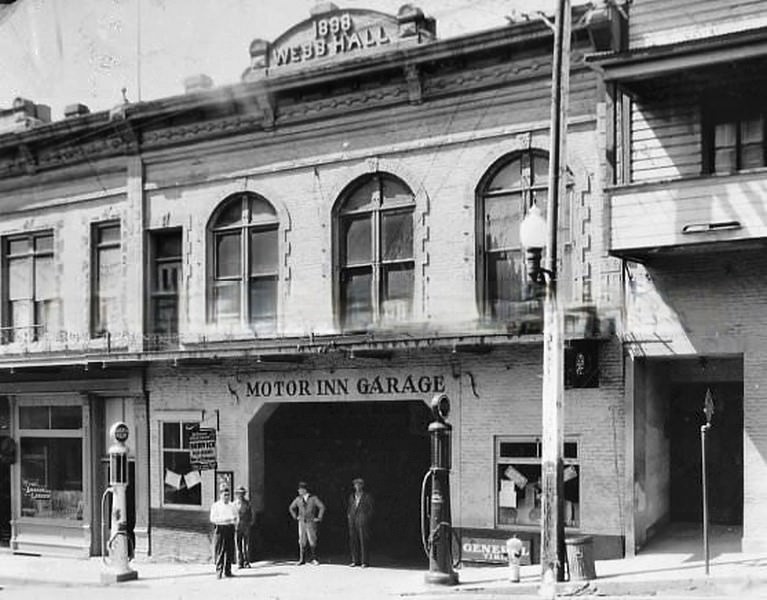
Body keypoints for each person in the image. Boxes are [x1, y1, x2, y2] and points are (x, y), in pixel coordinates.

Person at [288, 481, 325, 565]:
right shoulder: (298, 499)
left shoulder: (313, 498)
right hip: (301, 522)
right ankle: (302, 559)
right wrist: (295, 516)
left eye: (300, 490)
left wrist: (319, 517)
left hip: (310, 521)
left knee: (312, 539)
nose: (299, 491)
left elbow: (322, 507)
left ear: (304, 490)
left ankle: (314, 558)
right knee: (301, 539)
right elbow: (291, 507)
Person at [210, 485, 237, 579]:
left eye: (228, 495)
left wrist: (233, 520)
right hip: (220, 529)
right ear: (220, 495)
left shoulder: (232, 506)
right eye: (224, 495)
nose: (226, 497)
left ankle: (228, 571)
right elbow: (213, 519)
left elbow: (236, 517)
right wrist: (225, 519)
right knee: (220, 551)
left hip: (230, 528)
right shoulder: (216, 506)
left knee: (229, 550)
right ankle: (219, 572)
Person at [347, 477, 374, 567]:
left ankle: (364, 561)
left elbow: (370, 509)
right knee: (353, 540)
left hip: (362, 520)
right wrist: (349, 516)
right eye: (355, 485)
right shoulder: (352, 496)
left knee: (363, 541)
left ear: (362, 486)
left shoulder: (367, 496)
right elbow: (350, 507)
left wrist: (366, 518)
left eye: (359, 485)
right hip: (353, 520)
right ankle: (355, 560)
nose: (357, 486)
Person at [233, 486, 253, 568]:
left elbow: (251, 514)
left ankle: (246, 562)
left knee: (246, 545)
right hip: (237, 526)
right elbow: (232, 515)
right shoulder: (233, 504)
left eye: (242, 493)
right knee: (238, 545)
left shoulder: (247, 503)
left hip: (246, 526)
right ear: (236, 494)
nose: (240, 495)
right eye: (239, 493)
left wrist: (250, 522)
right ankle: (239, 562)